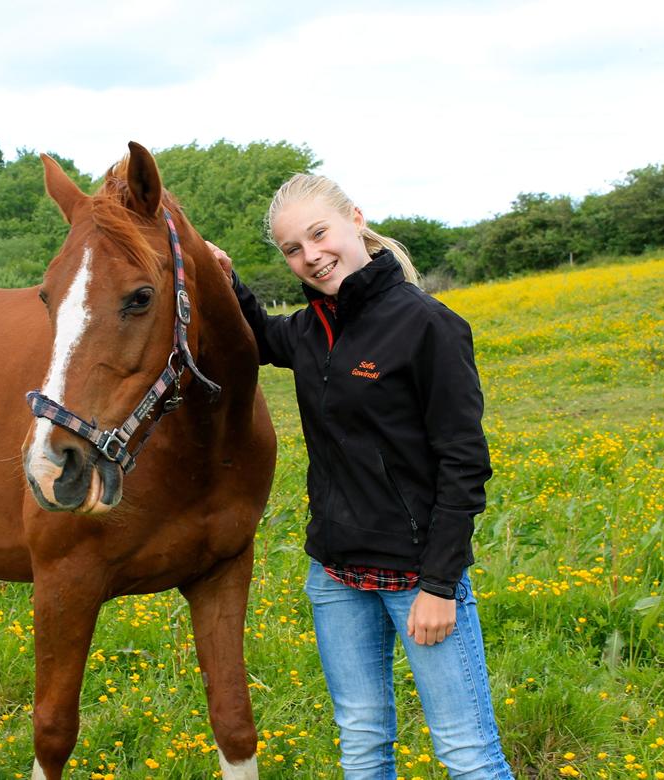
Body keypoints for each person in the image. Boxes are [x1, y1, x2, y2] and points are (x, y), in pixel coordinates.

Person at [207, 173, 513, 779]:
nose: (311, 257)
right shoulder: (311, 328)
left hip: (417, 575)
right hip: (336, 575)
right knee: (363, 741)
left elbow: (464, 463)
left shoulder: (428, 325)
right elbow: (264, 339)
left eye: (318, 235)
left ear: (355, 219)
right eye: (293, 249)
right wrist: (227, 281)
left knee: (466, 751)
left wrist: (440, 585)